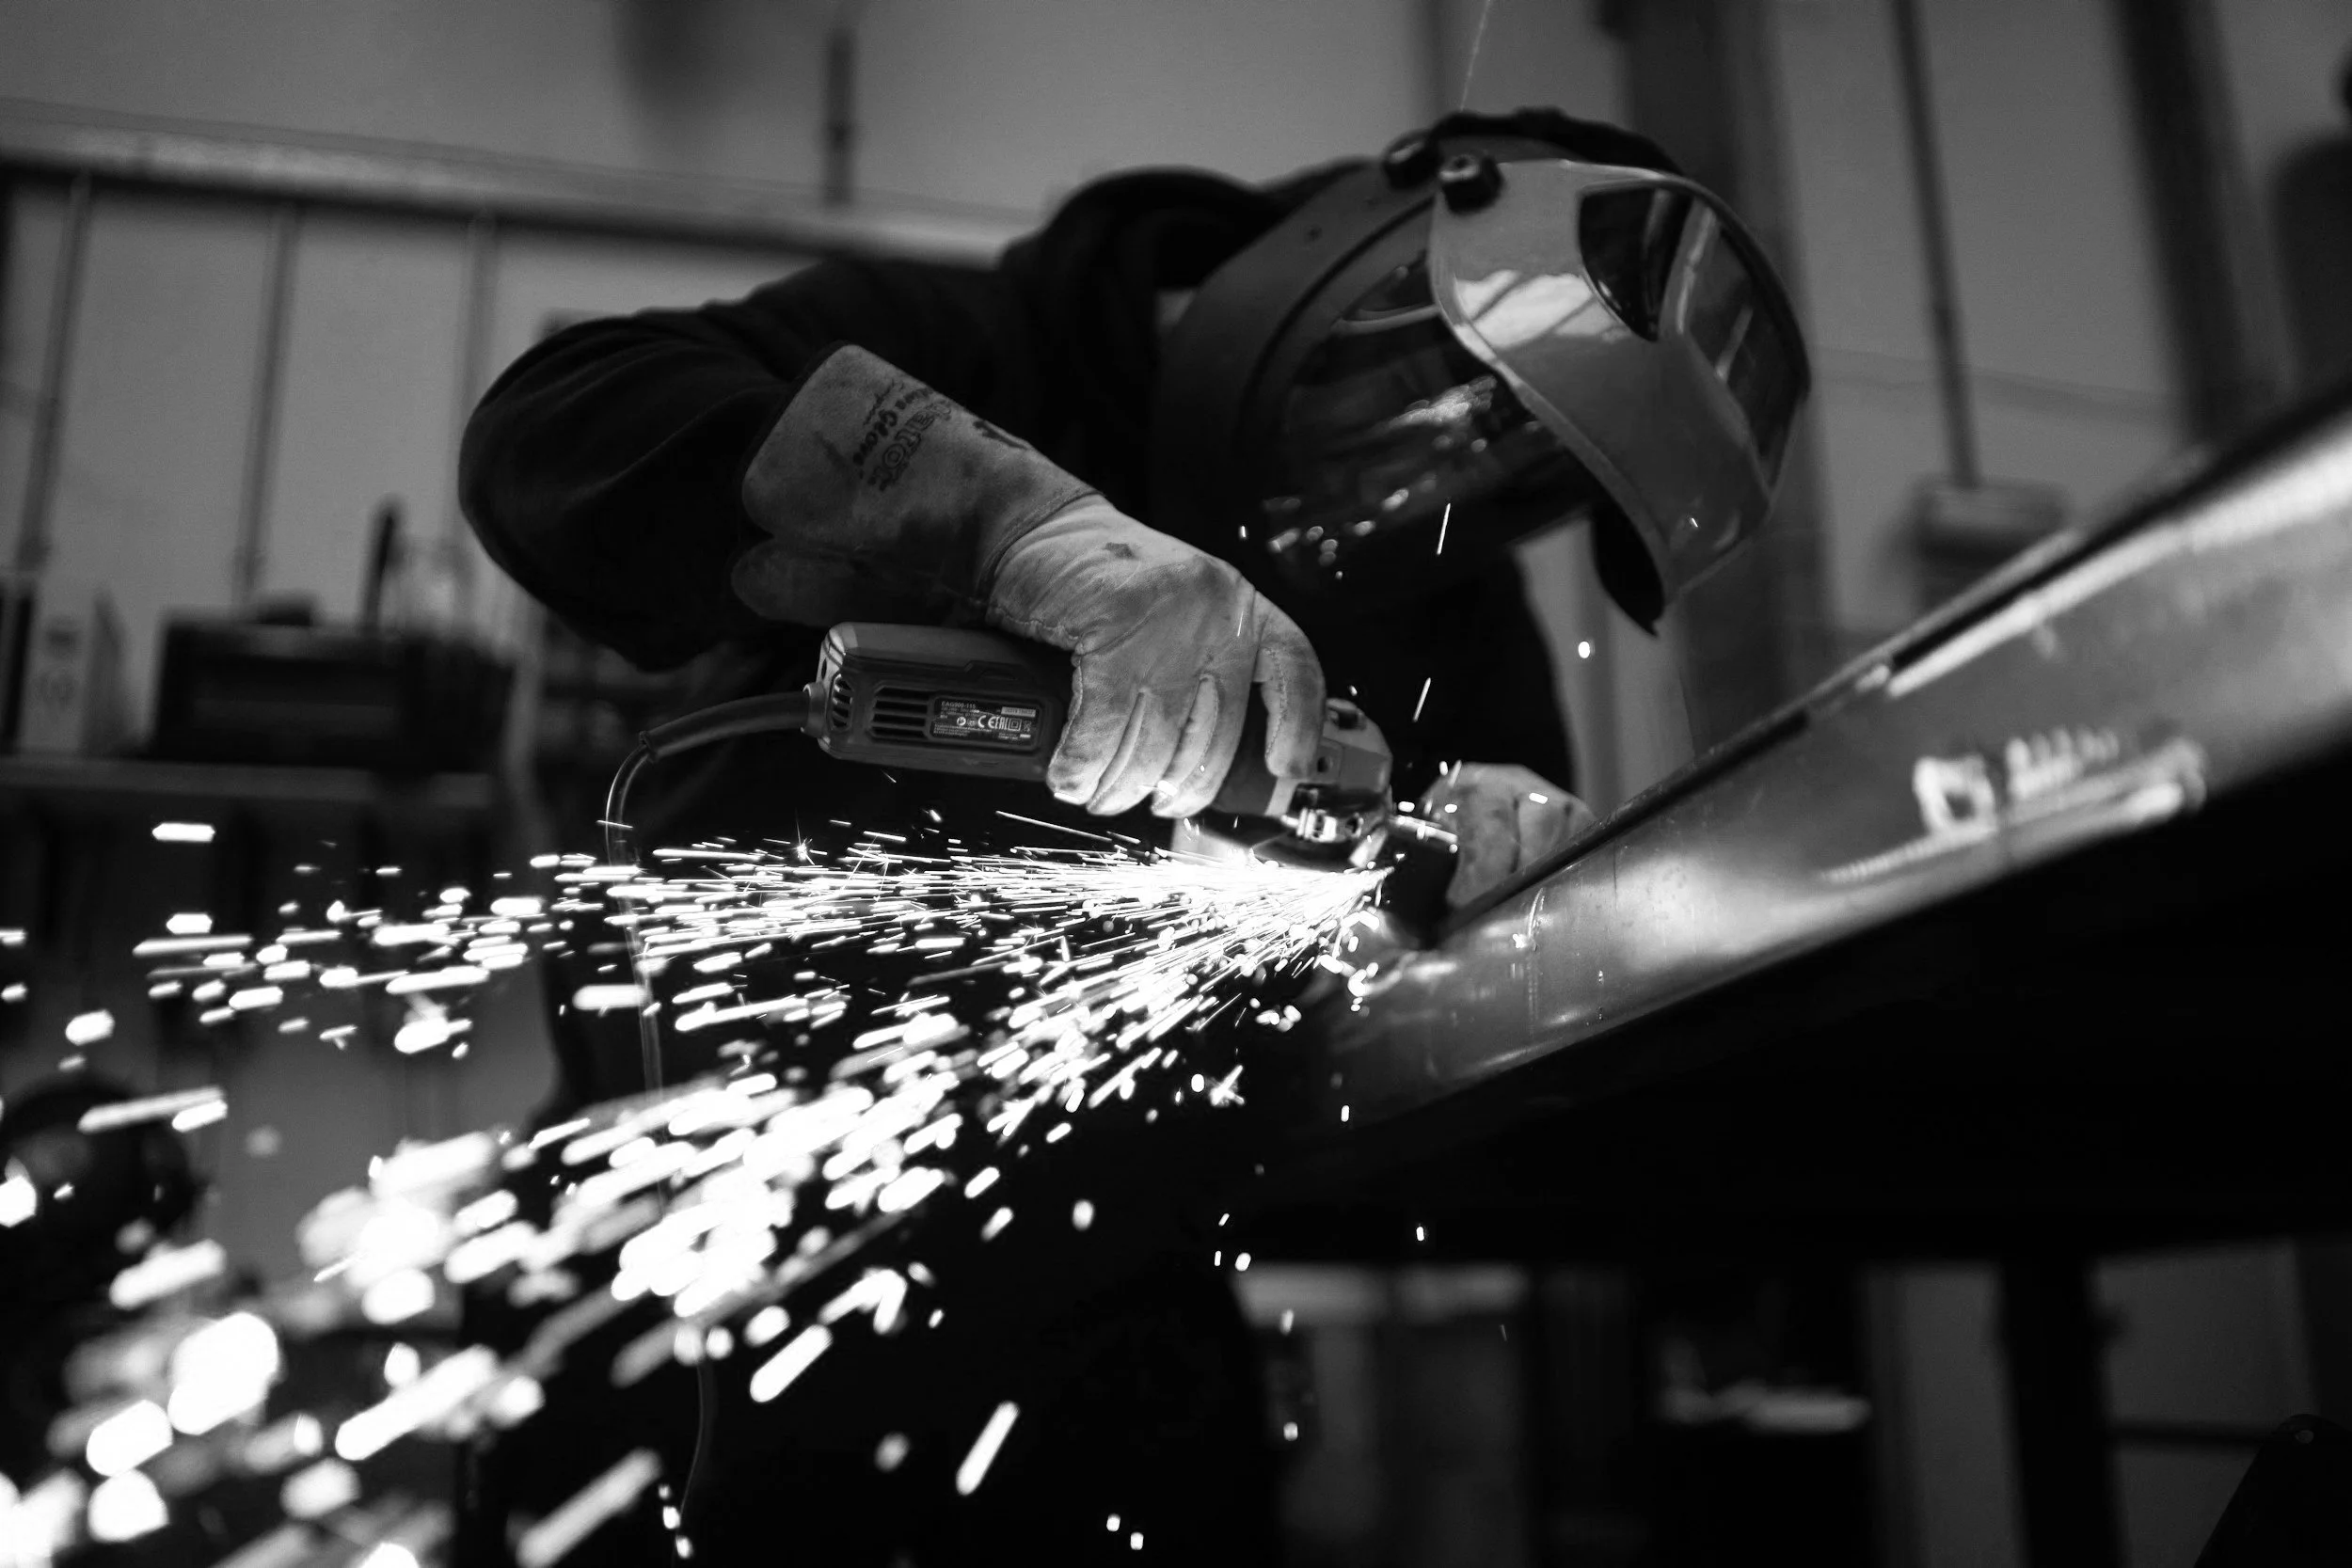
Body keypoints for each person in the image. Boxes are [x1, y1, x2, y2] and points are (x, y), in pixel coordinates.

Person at [459, 106, 1808, 1566]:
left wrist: (1491, 899)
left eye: (1526, 480)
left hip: (1099, 1312)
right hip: (675, 1251)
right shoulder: (987, 346)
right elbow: (555, 424)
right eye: (1459, 407)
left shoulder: (1439, 584)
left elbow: (1470, 987)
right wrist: (1008, 526)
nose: (1445, 484)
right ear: (1354, 253)